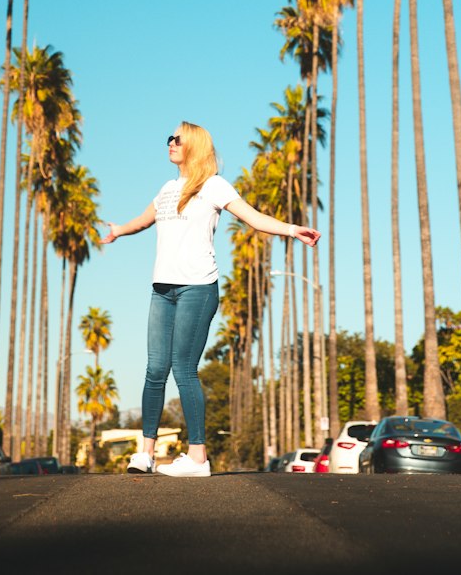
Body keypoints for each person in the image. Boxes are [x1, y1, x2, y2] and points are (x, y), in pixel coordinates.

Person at [100, 120, 320, 478]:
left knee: (183, 370)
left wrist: (292, 229)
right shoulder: (167, 188)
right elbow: (144, 220)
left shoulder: (213, 185)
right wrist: (118, 231)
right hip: (162, 289)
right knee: (155, 370)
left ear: (195, 146)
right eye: (168, 138)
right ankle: (146, 453)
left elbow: (252, 217)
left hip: (197, 289)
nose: (169, 143)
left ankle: (198, 458)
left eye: (176, 139)